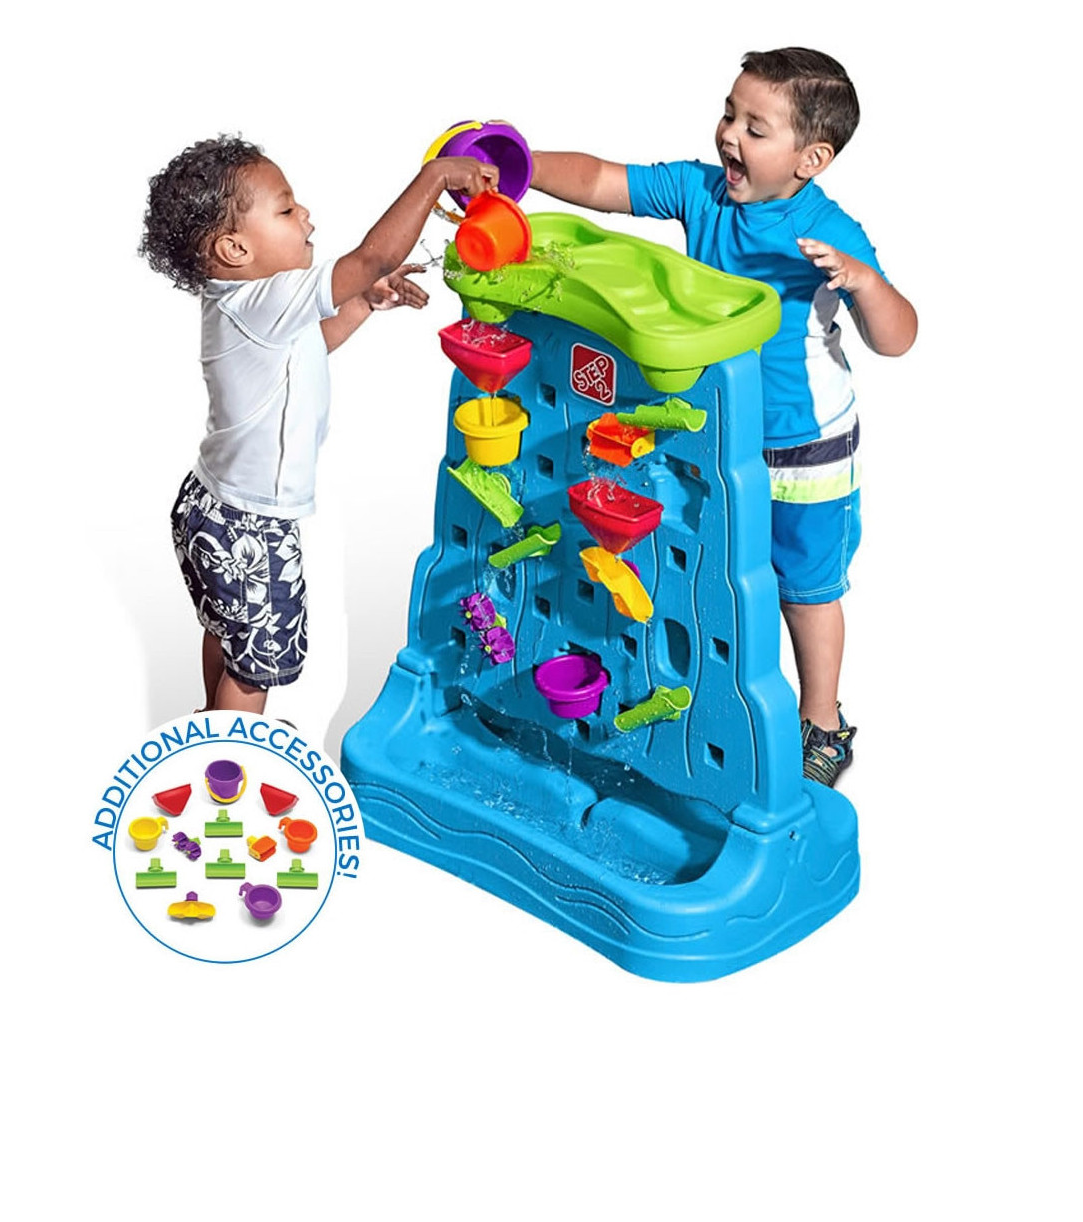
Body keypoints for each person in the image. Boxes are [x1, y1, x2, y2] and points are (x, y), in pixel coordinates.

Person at [530, 48, 917, 787]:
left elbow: (898, 338)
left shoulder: (828, 230)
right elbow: (601, 180)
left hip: (805, 448)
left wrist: (864, 283)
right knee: (718, 573)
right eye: (729, 114)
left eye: (755, 129)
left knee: (805, 589)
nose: (729, 135)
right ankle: (718, 702)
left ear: (811, 158)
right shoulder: (700, 192)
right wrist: (518, 165)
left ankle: (823, 724)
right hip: (710, 433)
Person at [140, 136, 496, 714]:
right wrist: (434, 178)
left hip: (209, 505)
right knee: (256, 672)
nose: (305, 214)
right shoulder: (265, 296)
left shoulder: (241, 303)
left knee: (230, 634)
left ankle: (211, 726)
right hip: (251, 526)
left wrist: (363, 302)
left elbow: (308, 347)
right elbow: (370, 259)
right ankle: (232, 758)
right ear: (234, 248)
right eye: (285, 210)